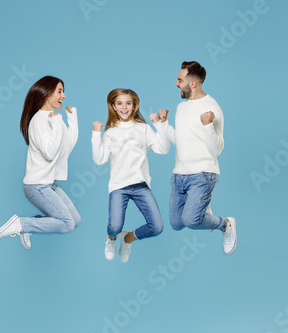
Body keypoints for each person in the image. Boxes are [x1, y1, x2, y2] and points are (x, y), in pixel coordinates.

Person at [0, 75, 81, 249]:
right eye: (59, 92)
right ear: (47, 94)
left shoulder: (55, 119)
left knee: (75, 220)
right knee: (66, 224)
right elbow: (49, 153)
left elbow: (67, 147)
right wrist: (56, 122)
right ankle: (21, 224)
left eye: (63, 92)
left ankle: (29, 226)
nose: (63, 96)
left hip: (50, 184)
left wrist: (72, 119)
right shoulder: (39, 121)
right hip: (37, 186)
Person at [159, 61, 237, 255]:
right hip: (179, 175)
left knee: (191, 220)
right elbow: (181, 140)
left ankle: (225, 224)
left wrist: (207, 125)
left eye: (179, 80)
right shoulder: (181, 107)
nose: (176, 84)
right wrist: (163, 124)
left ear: (192, 84)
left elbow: (216, 149)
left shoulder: (212, 108)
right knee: (177, 224)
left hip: (203, 175)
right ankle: (203, 206)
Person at [92, 88, 169, 263]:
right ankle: (111, 239)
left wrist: (159, 124)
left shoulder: (143, 128)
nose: (124, 107)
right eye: (119, 103)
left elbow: (163, 150)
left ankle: (127, 239)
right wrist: (96, 133)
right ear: (113, 106)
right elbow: (99, 159)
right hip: (119, 187)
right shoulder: (111, 132)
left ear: (134, 106)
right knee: (114, 226)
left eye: (128, 103)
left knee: (157, 227)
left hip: (141, 186)